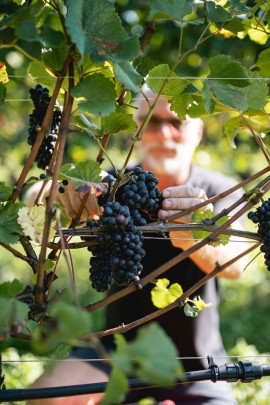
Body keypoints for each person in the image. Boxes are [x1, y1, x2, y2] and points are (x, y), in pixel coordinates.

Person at [26, 89, 247, 405]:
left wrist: (198, 239)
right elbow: (37, 197)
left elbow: (236, 264)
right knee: (45, 396)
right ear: (136, 129)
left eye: (176, 122)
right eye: (152, 122)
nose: (164, 133)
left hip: (194, 365)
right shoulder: (113, 187)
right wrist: (55, 194)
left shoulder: (215, 191)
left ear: (197, 131)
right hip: (117, 352)